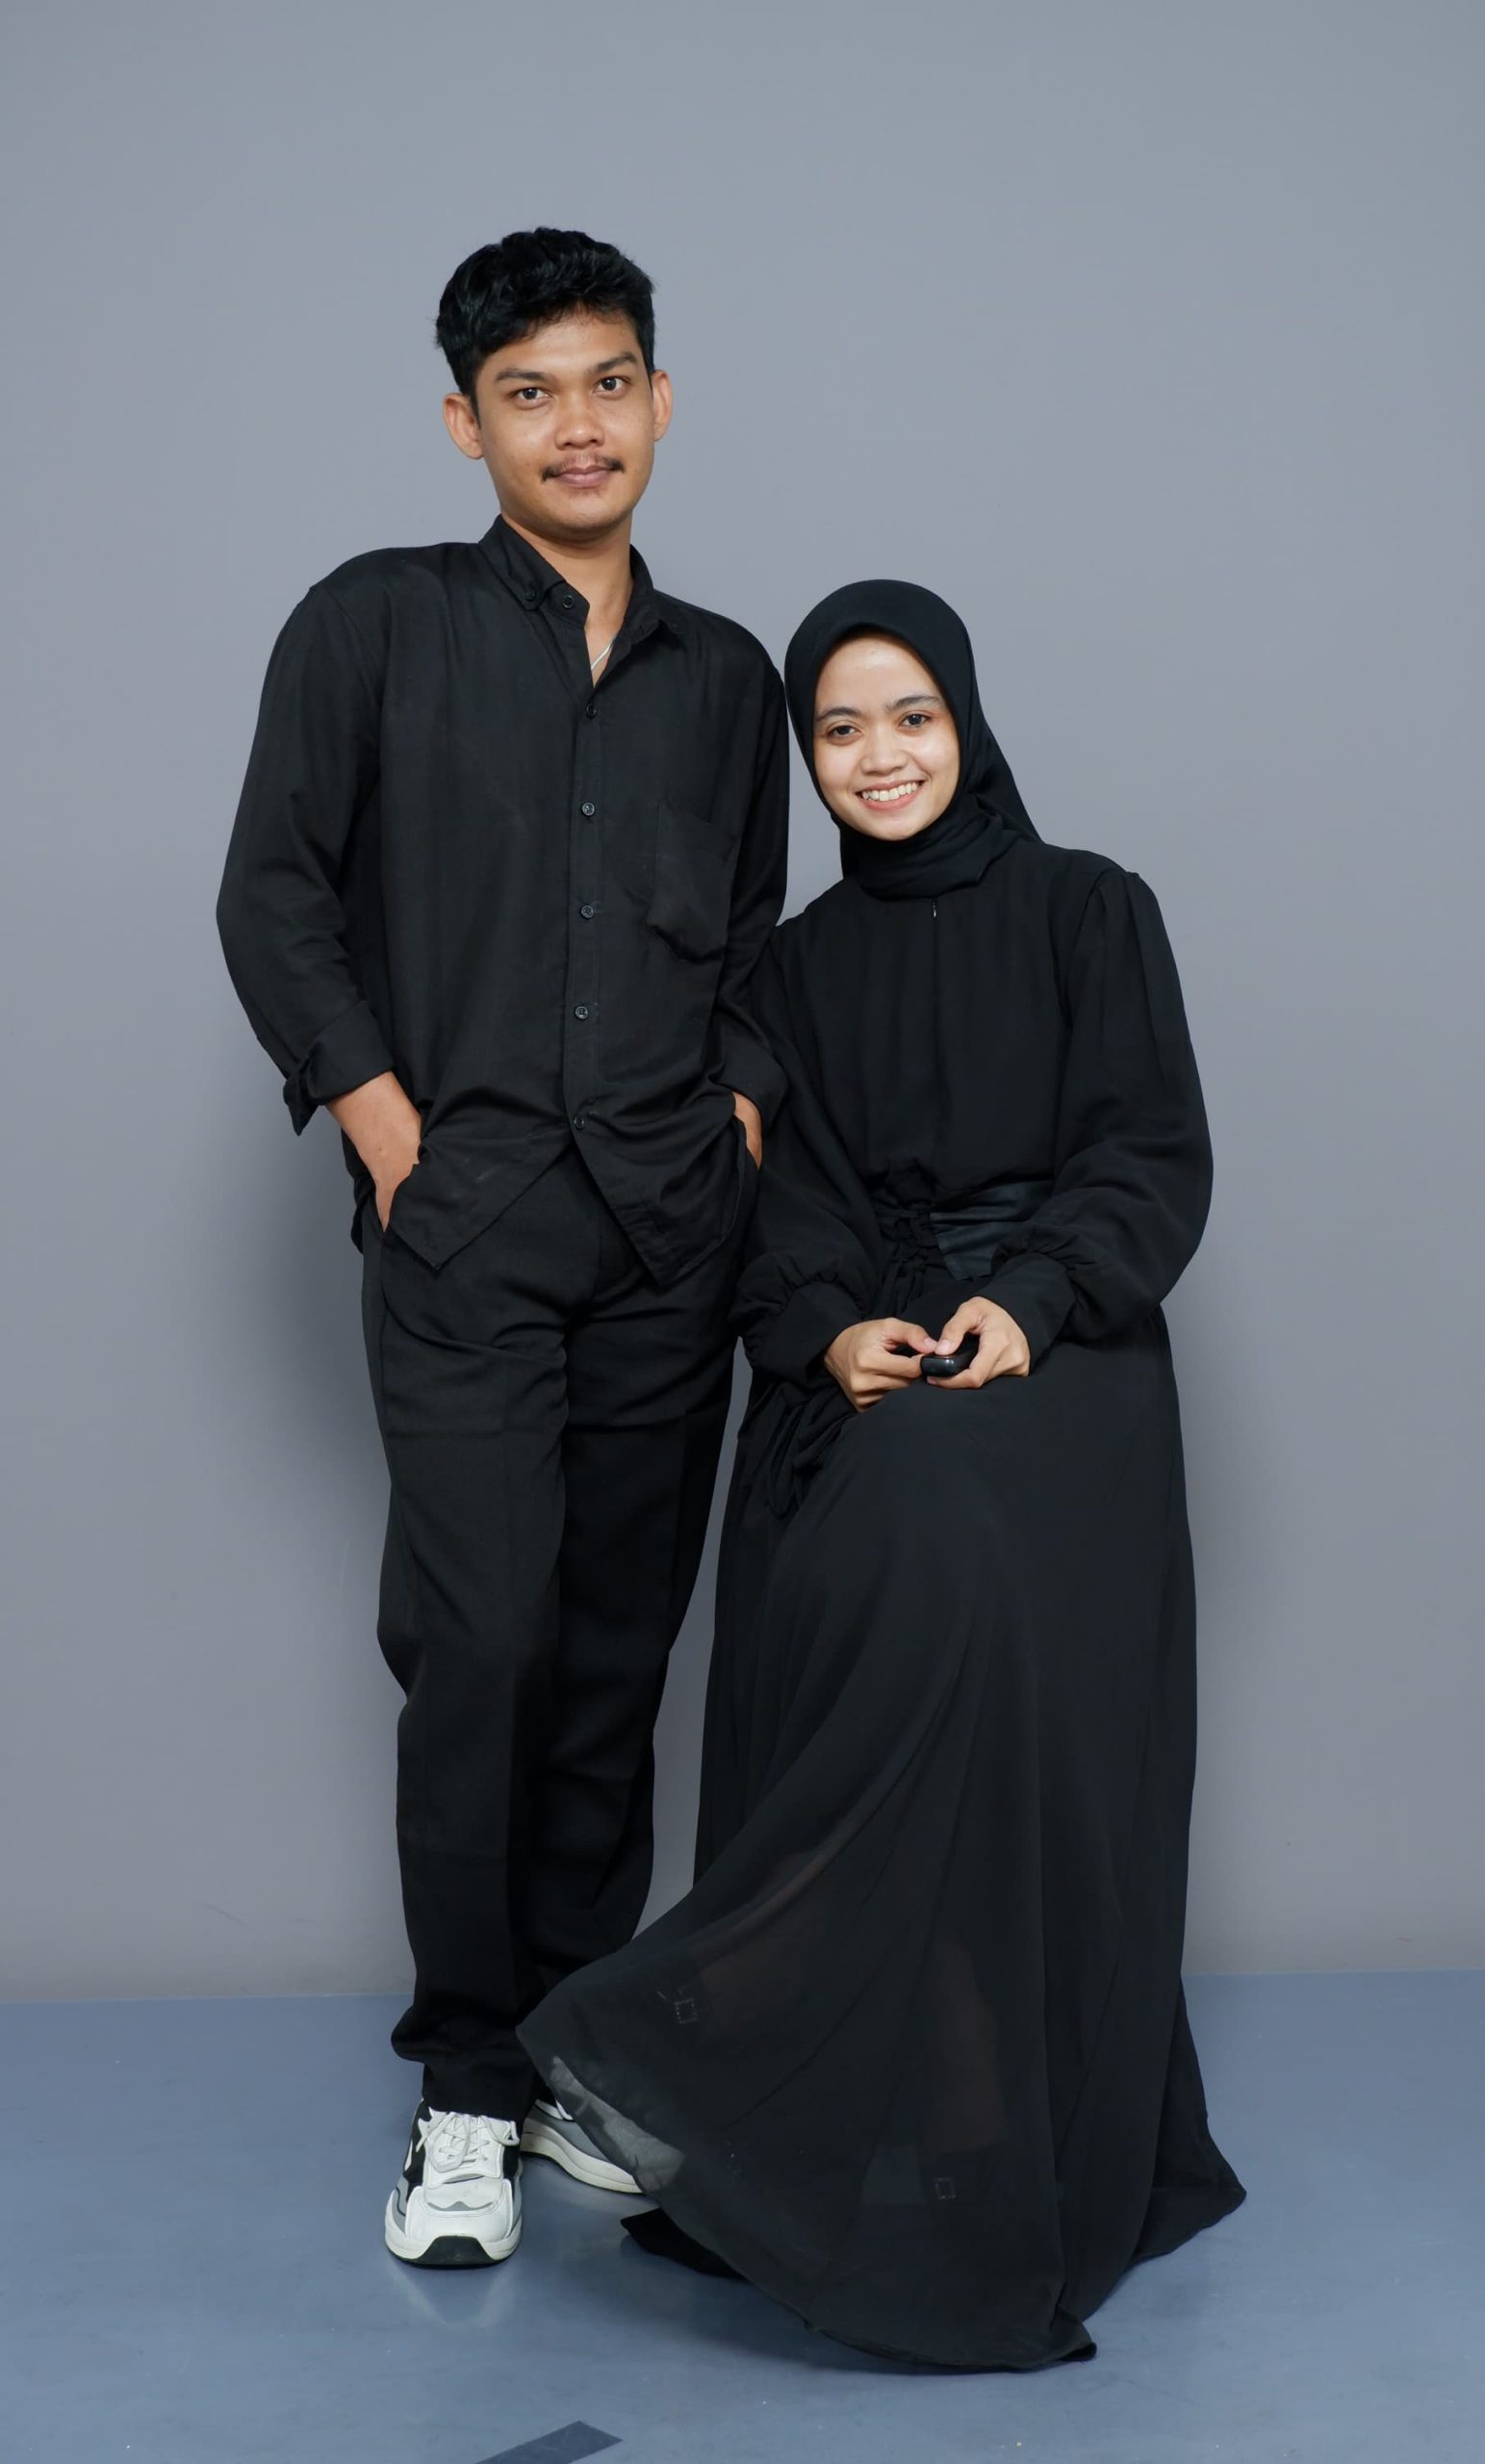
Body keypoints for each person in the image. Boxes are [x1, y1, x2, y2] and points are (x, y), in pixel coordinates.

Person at [519, 580, 1245, 2369]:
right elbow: (783, 1212)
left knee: (942, 1519)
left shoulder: (1091, 910)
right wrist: (831, 1333)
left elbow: (1148, 1154)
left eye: (909, 716)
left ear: (966, 722)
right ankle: (856, 2092)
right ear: (809, 756)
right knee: (881, 1504)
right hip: (868, 1352)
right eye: (837, 729)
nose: (878, 756)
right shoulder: (790, 971)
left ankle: (693, 2018)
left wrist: (1032, 1298)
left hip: (1065, 1353)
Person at [216, 228, 787, 2268]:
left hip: (667, 1231)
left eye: (607, 381)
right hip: (461, 1224)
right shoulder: (371, 624)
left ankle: (570, 2056)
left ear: (661, 401)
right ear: (465, 424)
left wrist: (735, 1114)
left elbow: (752, 939)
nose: (576, 424)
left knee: (617, 1658)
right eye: (528, 392)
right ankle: (463, 2086)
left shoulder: (728, 677)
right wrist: (384, 1127)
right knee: (483, 1646)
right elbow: (273, 895)